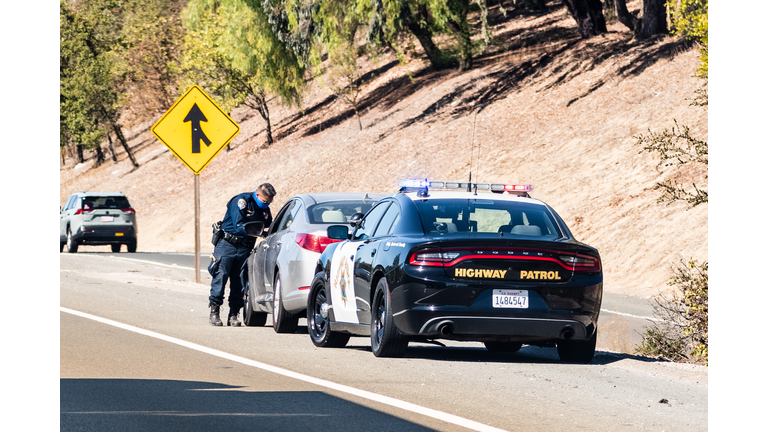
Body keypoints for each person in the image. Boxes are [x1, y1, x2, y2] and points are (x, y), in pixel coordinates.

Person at [208, 183, 276, 326]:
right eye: (265, 201)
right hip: (228, 244)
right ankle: (215, 312)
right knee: (220, 277)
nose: (266, 204)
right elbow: (239, 226)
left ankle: (233, 315)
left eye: (269, 202)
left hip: (245, 247)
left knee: (239, 281)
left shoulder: (264, 209)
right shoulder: (242, 201)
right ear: (257, 195)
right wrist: (259, 233)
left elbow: (270, 224)